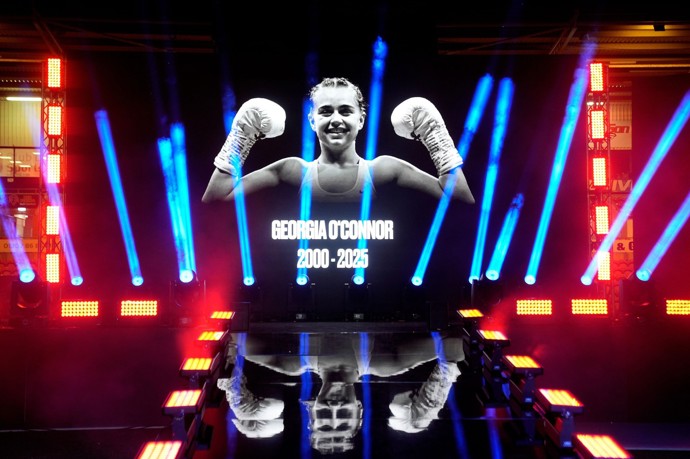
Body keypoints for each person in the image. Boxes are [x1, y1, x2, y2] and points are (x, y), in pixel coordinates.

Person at [202, 77, 475, 204]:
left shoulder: (384, 169)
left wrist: (437, 140)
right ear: (312, 121)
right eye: (325, 111)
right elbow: (214, 200)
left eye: (345, 111)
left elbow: (462, 201)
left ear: (361, 120)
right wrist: (240, 138)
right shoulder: (292, 170)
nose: (335, 119)